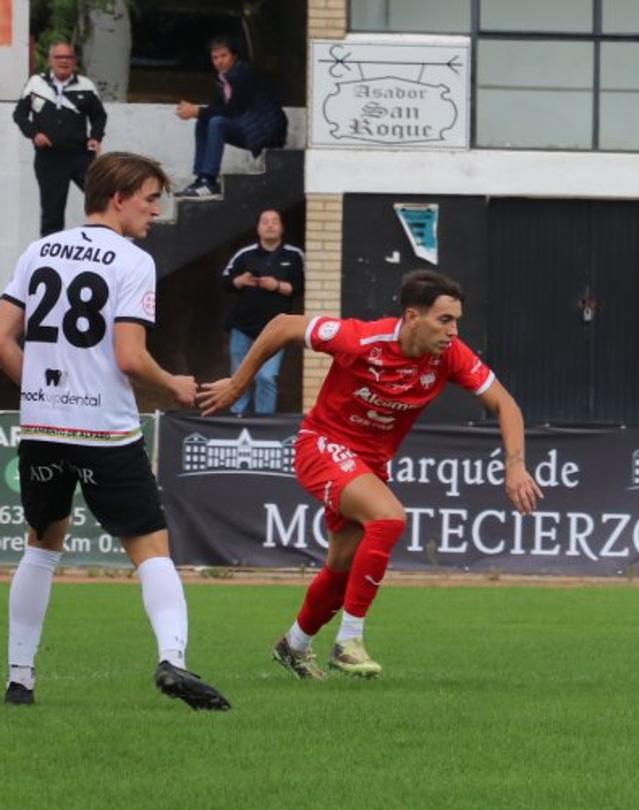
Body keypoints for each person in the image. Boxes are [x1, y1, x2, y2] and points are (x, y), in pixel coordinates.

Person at [198, 269, 543, 679]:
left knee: (343, 571)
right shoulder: (362, 339)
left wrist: (516, 466)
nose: (453, 331)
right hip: (322, 445)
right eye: (444, 320)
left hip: (370, 465)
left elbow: (506, 404)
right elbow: (284, 325)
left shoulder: (449, 356)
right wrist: (238, 386)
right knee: (389, 517)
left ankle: (294, 644)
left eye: (457, 321)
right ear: (413, 317)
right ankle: (349, 640)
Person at [0, 152, 230, 711]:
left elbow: (2, 337)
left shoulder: (38, 249)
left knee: (42, 546)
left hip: (44, 429)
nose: (155, 212)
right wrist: (173, 383)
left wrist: (40, 391)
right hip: (104, 430)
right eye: (150, 199)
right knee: (151, 548)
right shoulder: (131, 261)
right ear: (120, 196)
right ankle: (173, 660)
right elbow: (129, 357)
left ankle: (20, 680)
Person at [12, 41, 107, 236]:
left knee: (103, 199)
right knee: (52, 214)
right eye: (59, 57)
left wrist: (95, 137)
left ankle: (103, 244)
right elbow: (19, 115)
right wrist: (34, 134)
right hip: (49, 158)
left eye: (68, 57)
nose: (63, 61)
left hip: (81, 156)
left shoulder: (85, 85)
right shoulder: (36, 83)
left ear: (75, 61)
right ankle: (49, 261)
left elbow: (99, 116)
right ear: (50, 60)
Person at [174, 34, 287, 199]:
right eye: (215, 58)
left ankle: (209, 180)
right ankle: (202, 178)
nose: (219, 61)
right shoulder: (225, 79)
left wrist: (198, 111)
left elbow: (234, 111)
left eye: (223, 56)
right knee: (205, 122)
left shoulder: (244, 74)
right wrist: (197, 112)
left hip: (264, 131)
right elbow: (219, 108)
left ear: (234, 56)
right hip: (247, 126)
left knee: (216, 122)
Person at [221, 208, 304, 413]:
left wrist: (275, 285)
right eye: (265, 221)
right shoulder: (244, 254)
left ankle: (263, 423)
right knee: (239, 376)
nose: (269, 225)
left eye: (274, 221)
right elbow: (224, 281)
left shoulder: (294, 255)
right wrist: (240, 281)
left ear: (282, 227)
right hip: (242, 327)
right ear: (258, 228)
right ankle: (237, 418)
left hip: (276, 330)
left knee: (266, 377)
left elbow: (300, 287)